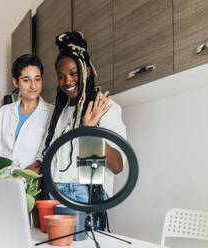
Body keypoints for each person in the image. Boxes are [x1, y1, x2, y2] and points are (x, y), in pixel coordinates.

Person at [26, 31, 127, 230]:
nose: (67, 81)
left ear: (87, 71)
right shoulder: (58, 113)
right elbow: (45, 157)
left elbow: (118, 165)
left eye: (73, 73)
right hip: (53, 193)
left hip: (86, 194)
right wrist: (23, 176)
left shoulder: (104, 107)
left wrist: (90, 132)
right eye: (61, 76)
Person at [0, 54, 53, 169]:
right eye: (26, 80)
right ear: (16, 82)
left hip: (31, 184)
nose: (33, 86)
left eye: (37, 79)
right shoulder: (4, 112)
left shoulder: (51, 113)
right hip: (2, 181)